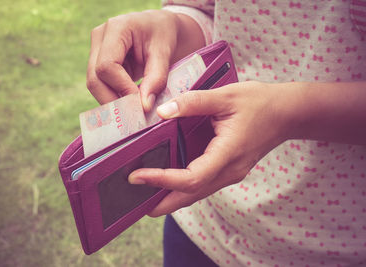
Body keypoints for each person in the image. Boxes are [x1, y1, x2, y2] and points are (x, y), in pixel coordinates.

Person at [86, 0, 366, 266]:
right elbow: (210, 13)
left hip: (331, 248)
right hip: (202, 226)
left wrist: (289, 112)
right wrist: (174, 26)